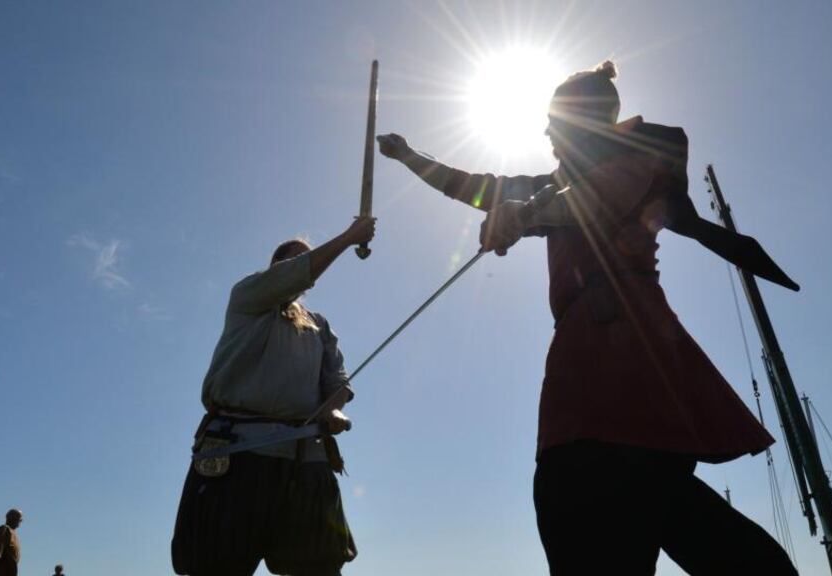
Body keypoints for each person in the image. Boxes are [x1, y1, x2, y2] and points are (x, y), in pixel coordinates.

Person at [379, 61, 797, 575]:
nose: (547, 134)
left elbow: (590, 202)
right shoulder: (553, 186)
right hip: (581, 360)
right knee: (632, 492)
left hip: (633, 351)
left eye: (555, 123)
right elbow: (480, 186)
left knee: (602, 483)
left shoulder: (643, 161)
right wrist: (409, 157)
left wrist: (524, 213)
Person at [171, 216, 376, 576]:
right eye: (291, 261)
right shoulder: (248, 296)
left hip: (306, 458)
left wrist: (333, 410)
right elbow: (302, 272)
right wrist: (347, 239)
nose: (298, 267)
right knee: (216, 565)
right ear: (275, 269)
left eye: (304, 259)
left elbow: (337, 380)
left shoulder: (319, 324)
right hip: (238, 453)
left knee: (320, 566)